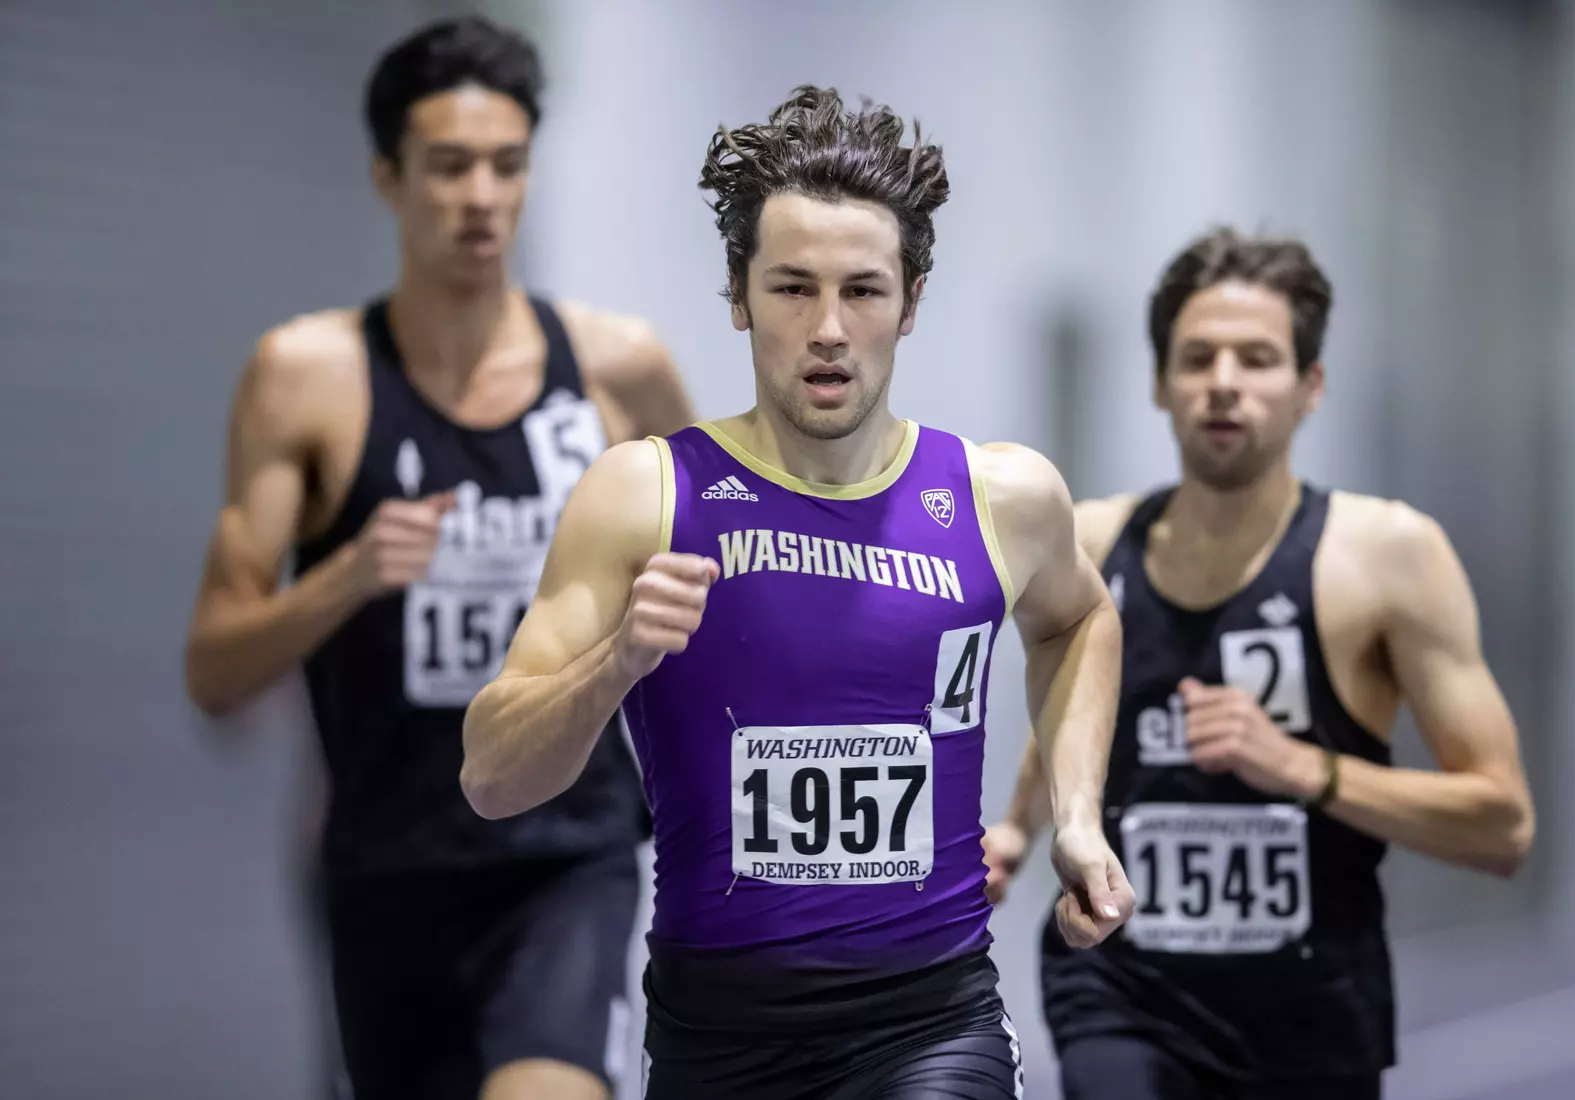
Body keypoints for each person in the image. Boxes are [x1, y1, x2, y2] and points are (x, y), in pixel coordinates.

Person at [459, 85, 1134, 1099]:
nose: (827, 328)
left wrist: (1075, 814)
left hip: (931, 1016)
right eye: (789, 288)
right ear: (737, 296)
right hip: (718, 1027)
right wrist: (616, 662)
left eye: (862, 291)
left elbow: (1080, 616)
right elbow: (492, 777)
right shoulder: (644, 494)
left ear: (909, 302)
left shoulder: (1001, 495)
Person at [183, 17, 696, 1100]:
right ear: (387, 176)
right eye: (449, 165)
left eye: (506, 165)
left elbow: (721, 587)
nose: (480, 195)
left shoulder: (617, 367)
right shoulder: (306, 377)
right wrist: (348, 573)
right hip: (385, 860)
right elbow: (215, 669)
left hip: (570, 847)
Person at [982, 228, 1537, 1100]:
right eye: (1197, 357)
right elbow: (1074, 704)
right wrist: (1016, 829)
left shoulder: (1387, 555)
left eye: (1257, 358)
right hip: (1122, 993)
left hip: (1311, 1018)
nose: (1224, 383)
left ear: (1309, 386)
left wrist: (1300, 767)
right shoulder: (1092, 540)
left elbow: (1502, 825)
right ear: (1160, 384)